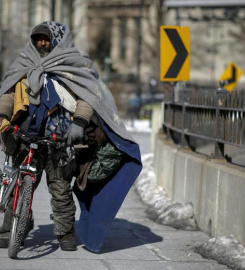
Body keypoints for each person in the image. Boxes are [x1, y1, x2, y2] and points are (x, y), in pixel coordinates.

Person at [0, 21, 142, 253]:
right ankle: (12, 228)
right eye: (37, 38)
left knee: (60, 188)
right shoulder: (24, 62)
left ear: (58, 39)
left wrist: (78, 123)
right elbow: (7, 93)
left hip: (60, 139)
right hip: (27, 137)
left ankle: (65, 232)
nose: (42, 43)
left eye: (46, 38)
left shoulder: (75, 64)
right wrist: (3, 115)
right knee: (19, 184)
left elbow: (90, 97)